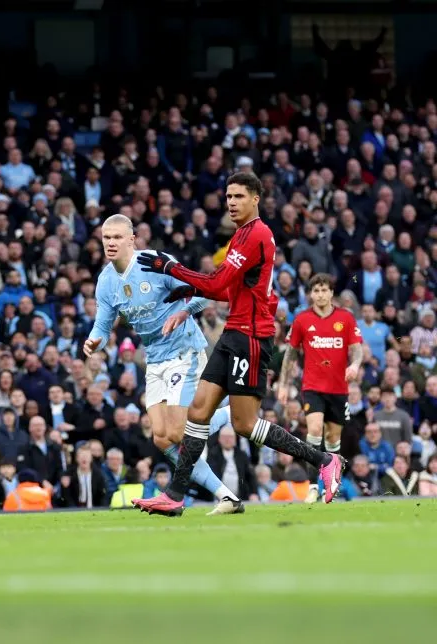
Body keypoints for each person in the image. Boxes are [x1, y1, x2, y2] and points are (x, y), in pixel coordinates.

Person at [134, 172, 344, 515]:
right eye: (229, 197)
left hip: (251, 338)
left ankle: (325, 460)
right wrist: (191, 287)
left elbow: (217, 285)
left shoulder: (255, 234)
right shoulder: (243, 235)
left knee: (244, 424)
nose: (231, 202)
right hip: (234, 332)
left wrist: (171, 268)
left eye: (239, 196)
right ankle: (174, 495)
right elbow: (234, 287)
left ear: (255, 199)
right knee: (198, 411)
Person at [83, 214, 242, 515]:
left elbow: (205, 292)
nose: (111, 243)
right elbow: (102, 326)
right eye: (106, 238)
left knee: (180, 431)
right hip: (155, 360)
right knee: (162, 437)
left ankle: (229, 414)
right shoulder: (106, 281)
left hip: (185, 350)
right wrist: (93, 342)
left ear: (132, 240)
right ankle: (227, 496)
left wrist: (183, 313)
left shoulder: (155, 263)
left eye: (117, 237)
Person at [278, 273, 363, 503]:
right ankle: (313, 486)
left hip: (339, 388)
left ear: (331, 293)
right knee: (314, 430)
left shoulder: (345, 318)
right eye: (316, 290)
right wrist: (284, 384)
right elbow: (291, 354)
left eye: (324, 290)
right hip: (312, 387)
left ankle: (329, 487)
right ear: (311, 294)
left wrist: (355, 365)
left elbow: (356, 349)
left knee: (333, 437)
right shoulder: (302, 319)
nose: (321, 294)